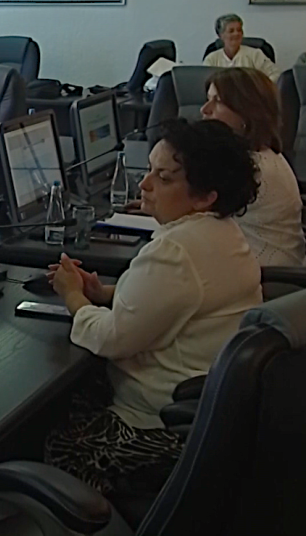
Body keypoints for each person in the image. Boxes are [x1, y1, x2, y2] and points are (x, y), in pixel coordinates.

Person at [45, 119, 262, 494]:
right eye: (149, 170)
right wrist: (106, 293)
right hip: (207, 412)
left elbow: (112, 338)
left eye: (163, 178)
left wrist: (72, 295)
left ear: (204, 196)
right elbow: (184, 298)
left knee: (45, 433)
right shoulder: (222, 232)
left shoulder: (175, 250)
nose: (145, 184)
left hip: (157, 424)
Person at [201, 68, 304, 266]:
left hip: (265, 274)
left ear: (247, 112)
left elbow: (194, 214)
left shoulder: (253, 166)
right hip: (255, 266)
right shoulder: (262, 154)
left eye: (218, 101)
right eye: (207, 99)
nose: (205, 109)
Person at [203, 14, 280, 81]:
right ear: (221, 35)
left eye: (239, 30)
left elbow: (275, 74)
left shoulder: (255, 54)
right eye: (231, 31)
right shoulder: (211, 59)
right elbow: (205, 81)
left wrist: (261, 87)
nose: (236, 34)